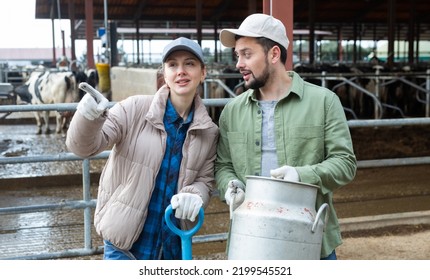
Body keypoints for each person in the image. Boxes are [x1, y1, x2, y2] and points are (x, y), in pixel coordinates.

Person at [215, 13, 357, 260]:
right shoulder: (232, 111)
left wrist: (302, 176)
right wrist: (229, 186)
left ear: (273, 54)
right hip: (250, 239)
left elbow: (345, 163)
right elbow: (224, 165)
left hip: (310, 240)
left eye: (247, 54)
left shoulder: (324, 102)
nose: (239, 63)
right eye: (237, 55)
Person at [66, 37, 219, 260]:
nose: (181, 71)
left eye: (190, 64)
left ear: (203, 73)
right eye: (173, 65)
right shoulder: (134, 109)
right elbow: (84, 148)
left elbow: (204, 180)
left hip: (172, 246)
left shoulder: (209, 131)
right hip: (125, 246)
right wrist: (88, 117)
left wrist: (194, 194)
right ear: (164, 74)